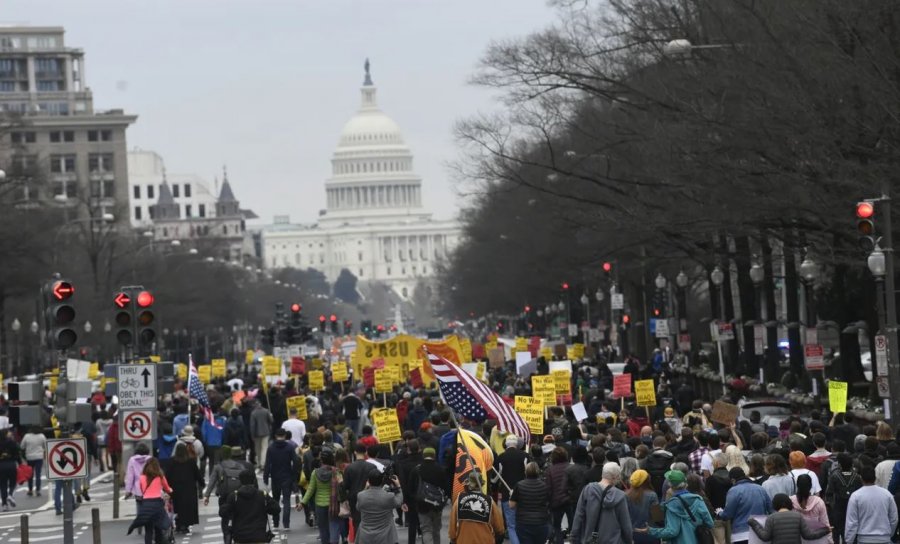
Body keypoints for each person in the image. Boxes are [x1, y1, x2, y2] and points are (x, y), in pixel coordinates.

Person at [638, 469, 713, 544]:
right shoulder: (698, 499)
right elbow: (710, 523)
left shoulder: (671, 505)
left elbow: (672, 531)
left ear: (670, 486)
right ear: (685, 483)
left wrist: (651, 531)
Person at [570, 462, 632, 544]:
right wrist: (628, 540)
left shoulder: (588, 490)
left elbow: (578, 516)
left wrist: (574, 537)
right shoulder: (620, 496)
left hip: (590, 540)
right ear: (615, 477)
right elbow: (626, 525)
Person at [204, 447, 254, 544]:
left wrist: (207, 496)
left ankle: (227, 536)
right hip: (238, 496)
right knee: (238, 517)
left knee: (225, 517)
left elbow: (212, 482)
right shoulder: (240, 466)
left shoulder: (218, 466)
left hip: (224, 497)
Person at [220, 469, 280, 544]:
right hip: (258, 537)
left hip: (240, 538)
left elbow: (222, 512)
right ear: (254, 480)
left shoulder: (234, 496)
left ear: (240, 481)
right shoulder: (262, 495)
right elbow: (276, 509)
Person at [844, 465, 898, 544]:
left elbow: (852, 522)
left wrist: (849, 540)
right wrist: (889, 534)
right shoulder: (887, 494)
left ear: (861, 478)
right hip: (884, 537)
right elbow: (894, 518)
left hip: (864, 539)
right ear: (875, 478)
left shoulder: (855, 496)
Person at [748, 493, 831, 544]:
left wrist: (754, 523)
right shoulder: (798, 516)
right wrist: (826, 530)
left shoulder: (771, 518)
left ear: (775, 505)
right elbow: (808, 535)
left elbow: (765, 537)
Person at [448, 471, 505, 544]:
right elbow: (500, 529)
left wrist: (453, 540)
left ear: (468, 485)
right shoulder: (490, 501)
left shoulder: (459, 501)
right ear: (481, 484)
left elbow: (452, 530)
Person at [407, 447, 449, 544]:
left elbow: (411, 488)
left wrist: (415, 499)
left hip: (422, 504)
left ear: (423, 455)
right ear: (434, 455)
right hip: (437, 504)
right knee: (436, 529)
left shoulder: (417, 469)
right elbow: (447, 487)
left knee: (426, 529)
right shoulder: (440, 469)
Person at [720, 467, 772, 544]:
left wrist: (720, 513)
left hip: (741, 535)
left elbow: (727, 514)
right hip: (760, 533)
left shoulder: (733, 491)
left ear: (733, 480)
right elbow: (771, 509)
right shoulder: (760, 489)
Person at [127, 458, 173, 544]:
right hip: (157, 504)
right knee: (159, 527)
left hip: (146, 504)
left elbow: (142, 490)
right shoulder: (160, 476)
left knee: (148, 530)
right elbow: (167, 488)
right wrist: (170, 491)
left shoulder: (142, 477)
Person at [301, 448, 341, 544]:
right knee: (334, 524)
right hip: (334, 504)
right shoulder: (336, 472)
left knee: (323, 529)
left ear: (321, 460)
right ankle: (334, 541)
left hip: (319, 504)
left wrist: (303, 503)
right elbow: (341, 487)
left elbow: (310, 490)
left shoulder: (315, 473)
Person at [263, 428, 299, 531]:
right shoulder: (289, 447)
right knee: (286, 500)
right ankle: (286, 524)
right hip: (287, 476)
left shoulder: (271, 448)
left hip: (275, 477)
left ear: (275, 436)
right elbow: (295, 461)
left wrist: (266, 477)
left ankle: (276, 523)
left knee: (275, 500)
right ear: (284, 436)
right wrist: (294, 474)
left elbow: (267, 464)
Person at [163, 442, 202, 535]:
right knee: (188, 507)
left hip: (175, 489)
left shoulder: (171, 461)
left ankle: (178, 524)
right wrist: (202, 483)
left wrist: (165, 487)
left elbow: (166, 475)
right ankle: (186, 525)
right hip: (189, 489)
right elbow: (197, 474)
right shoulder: (191, 461)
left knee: (177, 507)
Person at [495, 434, 528, 544]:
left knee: (511, 525)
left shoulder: (501, 457)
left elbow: (496, 478)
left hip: (507, 494)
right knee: (522, 523)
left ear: (505, 444)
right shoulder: (525, 456)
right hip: (523, 493)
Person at [356, 471, 403, 544]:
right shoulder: (388, 496)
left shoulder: (361, 495)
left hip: (365, 535)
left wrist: (365, 488)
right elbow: (399, 502)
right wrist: (398, 486)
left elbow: (358, 508)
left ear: (368, 481)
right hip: (385, 535)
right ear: (382, 481)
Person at [509, 461, 550, 544]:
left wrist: (511, 495)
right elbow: (549, 502)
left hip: (523, 523)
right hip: (541, 522)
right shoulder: (544, 486)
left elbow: (511, 505)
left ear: (526, 472)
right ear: (538, 472)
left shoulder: (519, 485)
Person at [789, 474, 831, 543]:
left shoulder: (791, 501)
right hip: (816, 540)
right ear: (811, 486)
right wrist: (830, 541)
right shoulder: (819, 502)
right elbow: (825, 524)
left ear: (797, 485)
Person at [544, 446, 571, 544]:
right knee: (572, 526)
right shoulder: (570, 467)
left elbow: (548, 488)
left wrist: (548, 503)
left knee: (557, 526)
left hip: (556, 502)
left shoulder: (550, 470)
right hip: (569, 501)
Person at [626, 469, 659, 544]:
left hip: (631, 534)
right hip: (649, 533)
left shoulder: (626, 495)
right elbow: (657, 518)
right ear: (647, 481)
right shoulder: (652, 495)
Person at [20, 425, 46, 497]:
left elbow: (22, 446)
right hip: (39, 457)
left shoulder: (27, 436)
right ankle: (38, 490)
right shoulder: (42, 436)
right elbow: (45, 445)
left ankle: (30, 489)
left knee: (30, 474)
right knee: (38, 474)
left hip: (29, 457)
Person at [250, 401, 273, 469]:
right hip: (266, 432)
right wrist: (271, 416)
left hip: (256, 433)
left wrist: (252, 435)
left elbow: (252, 425)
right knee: (264, 448)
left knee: (258, 449)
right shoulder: (266, 411)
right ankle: (263, 463)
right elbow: (271, 421)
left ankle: (259, 463)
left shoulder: (253, 413)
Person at [0, 428, 19, 510]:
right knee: (13, 482)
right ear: (6, 434)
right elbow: (17, 454)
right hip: (11, 464)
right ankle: (10, 495)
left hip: (1, 466)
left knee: (2, 485)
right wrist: (20, 463)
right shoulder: (12, 442)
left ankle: (4, 504)